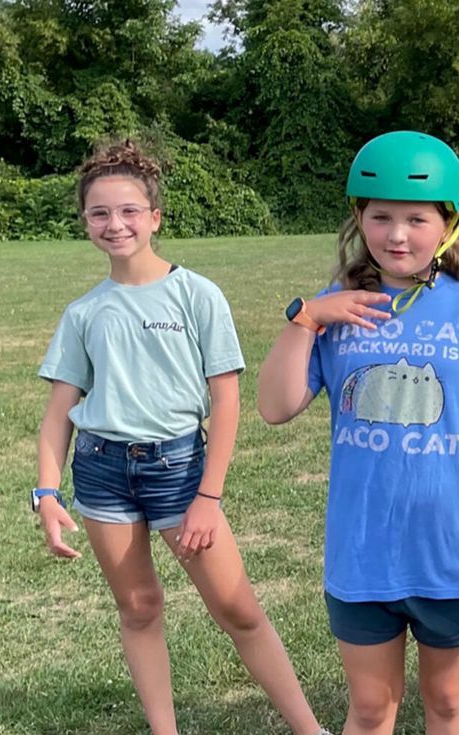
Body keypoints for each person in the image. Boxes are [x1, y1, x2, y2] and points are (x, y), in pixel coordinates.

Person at [256, 131, 459, 735]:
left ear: (446, 223)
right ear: (358, 219)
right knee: (370, 710)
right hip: (364, 551)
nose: (397, 235)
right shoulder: (336, 308)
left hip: (453, 551)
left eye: (416, 218)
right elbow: (274, 406)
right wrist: (309, 319)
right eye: (381, 217)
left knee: (447, 703)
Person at [31, 140, 326, 735]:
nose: (115, 224)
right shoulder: (84, 313)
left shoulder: (196, 294)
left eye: (129, 211)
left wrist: (208, 498)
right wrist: (47, 492)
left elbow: (226, 399)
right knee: (138, 607)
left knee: (236, 608)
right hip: (102, 472)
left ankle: (309, 729)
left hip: (179, 471)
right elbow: (59, 413)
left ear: (155, 217)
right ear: (85, 222)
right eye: (99, 213)